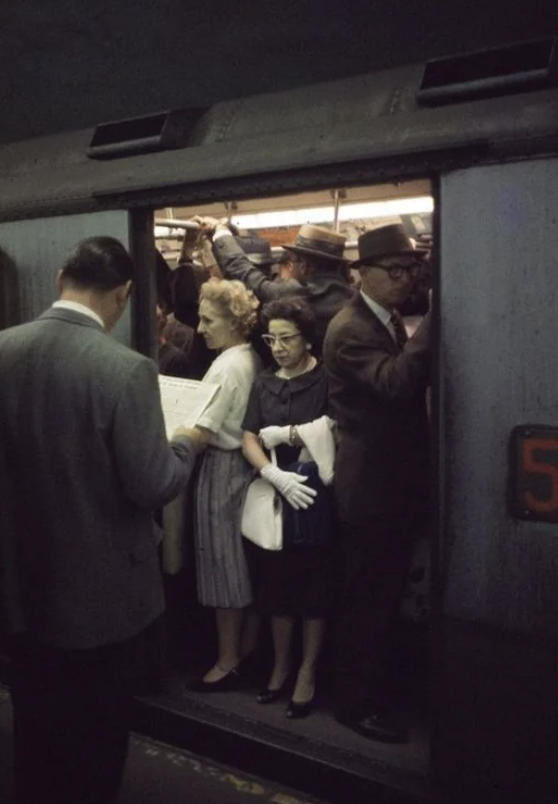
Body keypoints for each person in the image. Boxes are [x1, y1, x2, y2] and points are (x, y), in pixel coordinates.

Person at [0, 236, 204, 804]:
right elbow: (153, 483)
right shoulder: (125, 370)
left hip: (21, 589)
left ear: (62, 276)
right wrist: (186, 443)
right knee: (96, 740)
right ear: (123, 294)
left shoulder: (2, 349)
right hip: (103, 600)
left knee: (35, 726)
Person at [322, 223, 432, 743]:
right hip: (370, 491)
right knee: (368, 602)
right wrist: (436, 320)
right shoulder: (349, 328)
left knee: (383, 598)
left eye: (411, 271)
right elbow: (395, 382)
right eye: (395, 271)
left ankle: (375, 692)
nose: (405, 280)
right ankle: (355, 705)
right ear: (360, 274)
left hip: (392, 485)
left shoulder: (381, 319)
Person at [242, 298, 336, 719]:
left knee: (314, 586)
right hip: (279, 491)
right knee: (276, 586)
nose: (277, 347)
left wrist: (293, 435)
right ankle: (280, 664)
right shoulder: (264, 382)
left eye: (286, 338)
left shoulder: (325, 379)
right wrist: (270, 474)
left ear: (306, 338)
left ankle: (307, 669)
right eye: (271, 338)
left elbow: (336, 430)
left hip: (315, 493)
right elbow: (248, 436)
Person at [187, 278, 262, 691]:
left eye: (207, 319)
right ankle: (246, 652)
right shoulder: (248, 358)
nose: (200, 329)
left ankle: (227, 658)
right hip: (243, 468)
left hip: (222, 467)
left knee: (222, 566)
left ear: (233, 322)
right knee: (241, 565)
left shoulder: (226, 366)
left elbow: (203, 428)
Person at [195, 217, 354, 353]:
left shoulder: (300, 293)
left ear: (304, 266)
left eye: (294, 261)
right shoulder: (350, 296)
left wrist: (221, 231)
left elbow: (246, 274)